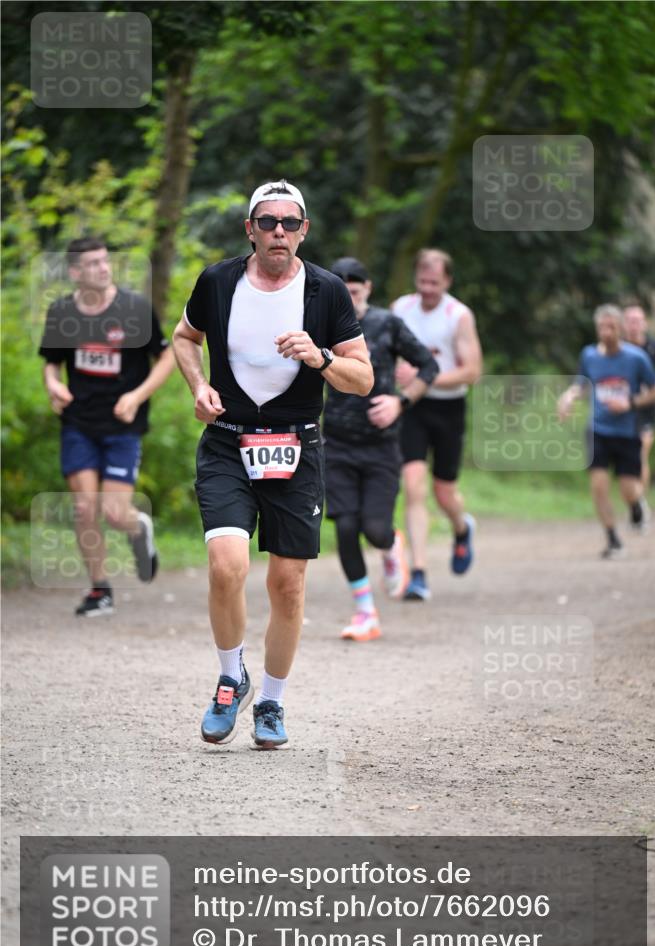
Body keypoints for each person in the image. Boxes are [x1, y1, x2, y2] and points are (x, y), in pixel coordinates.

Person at [172, 180, 373, 749]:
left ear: (304, 230)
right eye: (267, 222)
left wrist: (323, 355)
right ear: (250, 230)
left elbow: (363, 379)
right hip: (227, 441)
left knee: (287, 585)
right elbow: (183, 339)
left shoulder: (328, 292)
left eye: (289, 222)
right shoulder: (218, 281)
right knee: (225, 566)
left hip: (296, 447)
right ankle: (228, 678)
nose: (278, 231)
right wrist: (198, 384)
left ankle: (271, 704)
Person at [39, 237, 174, 616]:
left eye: (105, 261)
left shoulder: (134, 309)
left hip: (122, 424)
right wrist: (53, 385)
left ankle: (137, 528)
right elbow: (52, 362)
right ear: (75, 272)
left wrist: (136, 396)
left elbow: (166, 358)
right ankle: (100, 590)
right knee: (84, 508)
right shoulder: (62, 312)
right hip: (79, 422)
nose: (103, 267)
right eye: (93, 263)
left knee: (114, 512)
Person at [324, 256, 439, 640]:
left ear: (368, 289)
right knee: (345, 527)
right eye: (342, 294)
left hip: (381, 448)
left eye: (354, 293)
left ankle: (391, 545)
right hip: (336, 444)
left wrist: (400, 402)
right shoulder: (320, 325)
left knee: (374, 529)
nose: (348, 300)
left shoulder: (386, 324)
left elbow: (428, 367)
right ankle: (365, 612)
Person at [391, 248, 483, 600]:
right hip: (412, 406)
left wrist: (424, 376)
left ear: (447, 281)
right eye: (422, 281)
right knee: (413, 486)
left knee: (444, 493)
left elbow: (472, 371)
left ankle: (462, 528)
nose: (428, 288)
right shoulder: (401, 309)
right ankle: (418, 573)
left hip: (449, 409)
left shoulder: (458, 315)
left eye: (435, 282)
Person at [558, 304, 655, 558]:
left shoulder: (636, 358)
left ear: (621, 329)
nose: (606, 332)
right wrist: (569, 397)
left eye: (611, 327)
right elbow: (581, 384)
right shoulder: (589, 355)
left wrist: (631, 403)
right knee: (599, 487)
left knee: (628, 488)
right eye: (601, 327)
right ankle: (613, 539)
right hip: (598, 430)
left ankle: (636, 505)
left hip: (627, 432)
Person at [622, 301, 655, 492]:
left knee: (640, 452)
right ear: (623, 324)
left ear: (644, 324)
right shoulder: (618, 349)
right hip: (622, 407)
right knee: (626, 456)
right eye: (630, 321)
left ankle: (639, 502)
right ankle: (633, 497)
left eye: (637, 321)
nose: (634, 325)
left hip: (647, 407)